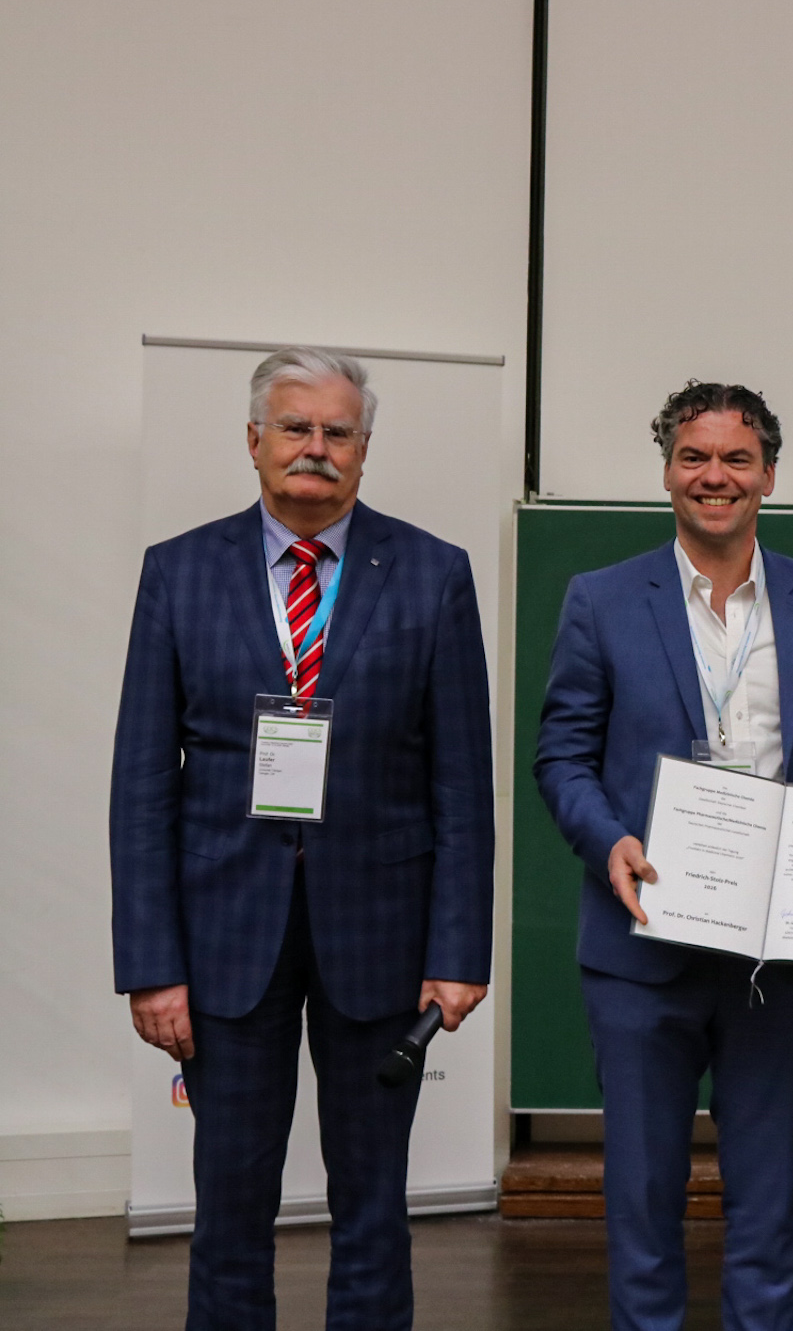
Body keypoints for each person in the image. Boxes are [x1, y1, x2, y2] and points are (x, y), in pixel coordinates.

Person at [111, 347, 495, 1330]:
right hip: (222, 944)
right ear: (254, 441)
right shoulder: (178, 571)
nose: (315, 449)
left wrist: (458, 953)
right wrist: (150, 965)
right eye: (296, 428)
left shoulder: (433, 574)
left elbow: (460, 783)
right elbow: (143, 787)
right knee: (229, 1206)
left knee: (373, 1206)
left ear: (365, 450)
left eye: (337, 432)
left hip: (381, 935)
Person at [533, 381, 793, 1331]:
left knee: (768, 1205)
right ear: (668, 471)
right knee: (643, 1204)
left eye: (734, 459)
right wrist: (609, 840)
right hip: (640, 947)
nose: (713, 477)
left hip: (775, 947)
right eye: (694, 458)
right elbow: (561, 755)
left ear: (768, 474)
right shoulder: (600, 599)